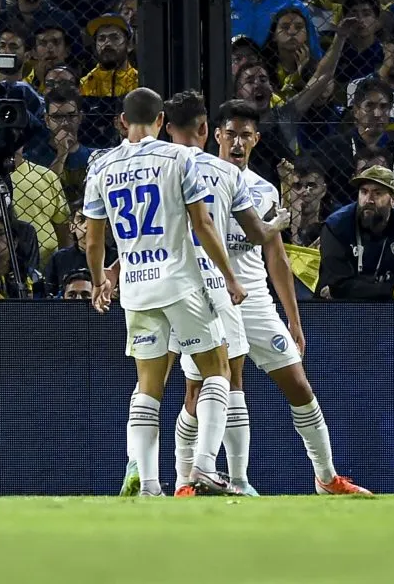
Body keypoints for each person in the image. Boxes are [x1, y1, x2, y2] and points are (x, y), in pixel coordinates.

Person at [83, 87, 246, 497]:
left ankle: (149, 484)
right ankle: (206, 467)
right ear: (160, 121)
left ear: (123, 121)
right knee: (217, 370)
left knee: (148, 386)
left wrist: (101, 280)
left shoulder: (100, 166)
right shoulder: (180, 158)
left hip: (136, 287)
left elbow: (92, 241)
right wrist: (228, 275)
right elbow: (204, 225)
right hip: (180, 281)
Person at [204, 104, 372, 496]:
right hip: (215, 297)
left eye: (246, 135)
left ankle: (327, 478)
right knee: (230, 382)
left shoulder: (263, 189)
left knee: (299, 385)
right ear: (217, 135)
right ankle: (235, 482)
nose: (238, 142)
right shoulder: (199, 180)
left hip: (257, 301)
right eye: (231, 134)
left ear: (256, 139)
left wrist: (294, 319)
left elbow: (276, 257)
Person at [149, 91, 289, 497]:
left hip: (162, 284)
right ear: (209, 131)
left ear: (162, 124)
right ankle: (211, 471)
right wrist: (277, 223)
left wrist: (116, 270)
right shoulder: (223, 174)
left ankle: (166, 480)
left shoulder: (156, 168)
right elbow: (247, 233)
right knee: (226, 377)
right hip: (211, 283)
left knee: (164, 385)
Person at [317, 165, 394, 301]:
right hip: (338, 310)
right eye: (364, 192)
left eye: (377, 193)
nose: (369, 200)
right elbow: (339, 286)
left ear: (393, 200)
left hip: (390, 310)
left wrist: (354, 289)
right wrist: (393, 290)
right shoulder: (336, 225)